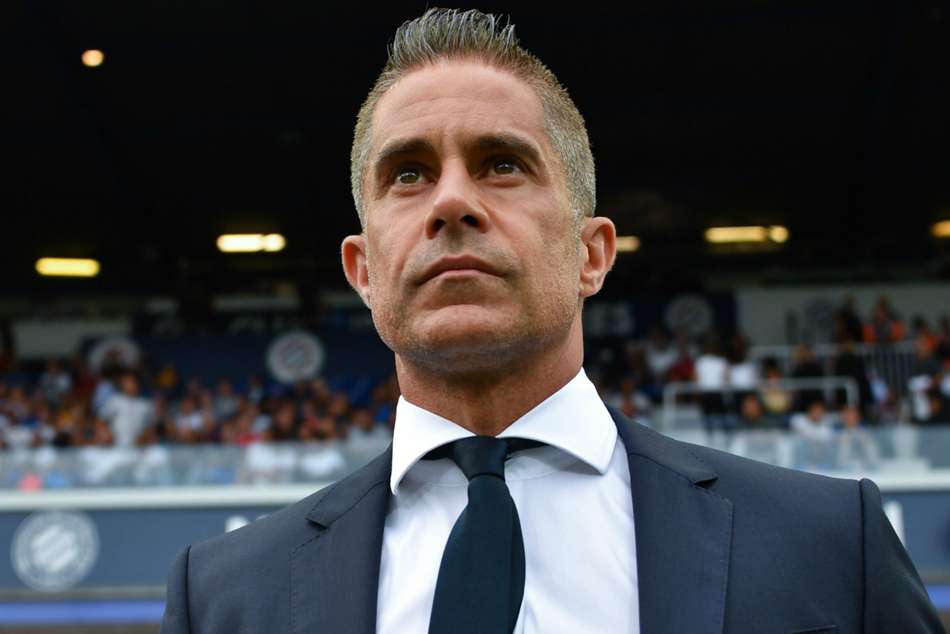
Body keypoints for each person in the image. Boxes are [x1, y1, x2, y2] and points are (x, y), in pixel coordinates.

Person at [160, 9, 941, 633]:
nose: (451, 201)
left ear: (591, 254)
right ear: (363, 271)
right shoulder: (224, 598)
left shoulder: (833, 546)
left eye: (502, 163)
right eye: (409, 173)